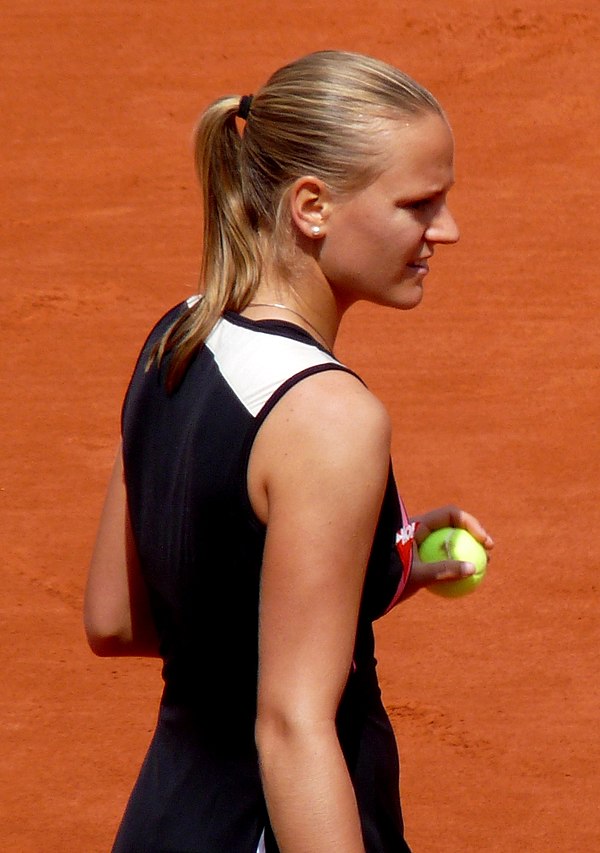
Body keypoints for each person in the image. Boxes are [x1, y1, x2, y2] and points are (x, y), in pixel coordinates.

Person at [84, 49, 493, 853]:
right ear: (312, 205)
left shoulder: (179, 331)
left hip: (167, 822)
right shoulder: (330, 417)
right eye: (419, 204)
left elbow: (117, 617)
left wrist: (374, 566)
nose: (446, 229)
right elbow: (292, 727)